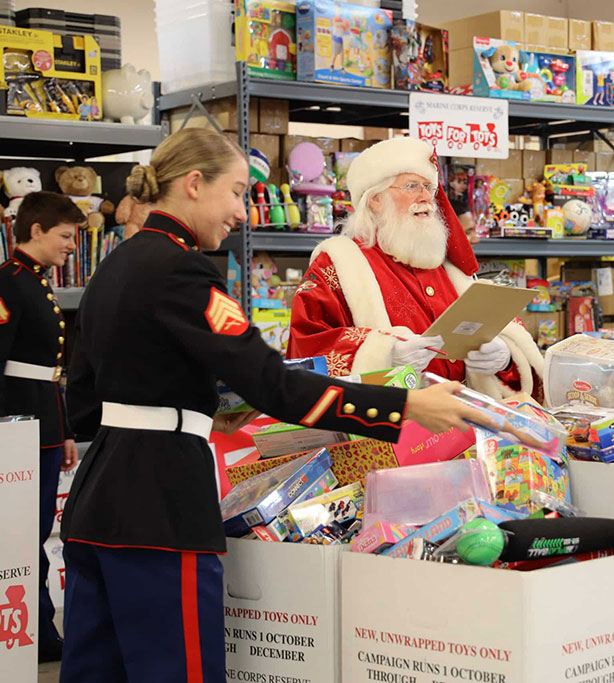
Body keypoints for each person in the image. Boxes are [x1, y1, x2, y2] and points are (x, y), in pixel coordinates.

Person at [59, 128, 487, 682]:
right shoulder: (185, 273)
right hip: (162, 505)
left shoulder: (113, 266)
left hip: (96, 498)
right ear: (193, 184)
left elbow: (84, 397)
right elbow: (275, 386)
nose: (242, 212)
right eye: (237, 192)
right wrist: (404, 405)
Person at [286, 137, 544, 401]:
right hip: (394, 433)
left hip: (471, 428)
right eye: (412, 186)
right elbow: (305, 352)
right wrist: (383, 354)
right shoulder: (337, 264)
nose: (426, 198)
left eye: (428, 188)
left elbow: (506, 338)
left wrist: (505, 356)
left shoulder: (449, 264)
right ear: (375, 199)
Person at [0, 191, 85, 662]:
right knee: (20, 536)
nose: (71, 245)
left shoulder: (34, 281)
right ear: (35, 231)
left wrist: (66, 428)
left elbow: (51, 369)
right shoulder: (8, 282)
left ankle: (38, 630)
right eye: (65, 236)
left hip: (45, 427)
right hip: (15, 430)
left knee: (35, 534)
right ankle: (36, 635)